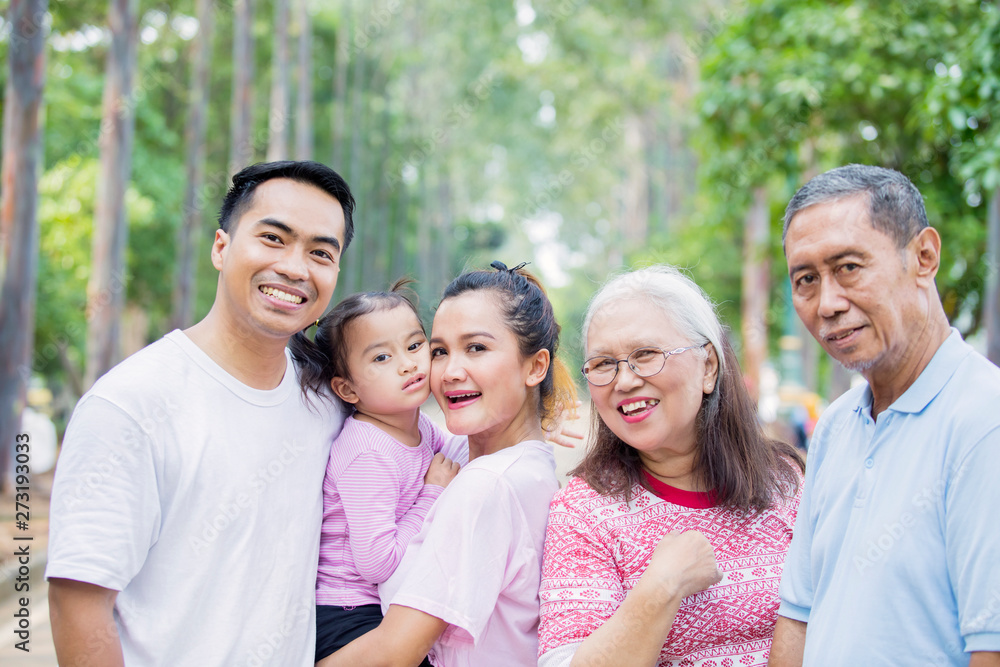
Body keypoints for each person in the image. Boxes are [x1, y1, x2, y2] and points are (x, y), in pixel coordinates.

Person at [46, 161, 355, 666]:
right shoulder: (130, 404)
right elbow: (78, 602)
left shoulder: (329, 400)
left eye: (321, 252)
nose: (297, 268)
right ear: (221, 246)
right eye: (274, 238)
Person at [770, 164, 1000, 667]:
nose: (828, 303)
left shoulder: (985, 422)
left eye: (849, 267)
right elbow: (798, 611)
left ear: (924, 257)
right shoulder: (836, 425)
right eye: (806, 279)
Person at [538, 265, 804, 667]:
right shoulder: (582, 511)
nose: (624, 381)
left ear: (709, 367)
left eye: (646, 355)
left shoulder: (783, 482)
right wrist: (661, 586)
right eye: (604, 364)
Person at [319, 261, 578, 667]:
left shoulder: (486, 486)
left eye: (476, 347)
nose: (449, 372)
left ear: (535, 366)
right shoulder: (509, 465)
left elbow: (390, 656)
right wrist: (539, 416)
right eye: (439, 351)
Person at [288, 280, 463, 662]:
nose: (408, 363)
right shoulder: (368, 450)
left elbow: (461, 456)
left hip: (381, 605)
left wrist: (527, 423)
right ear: (348, 390)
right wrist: (432, 493)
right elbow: (377, 562)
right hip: (349, 615)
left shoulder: (420, 429)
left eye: (415, 345)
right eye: (381, 358)